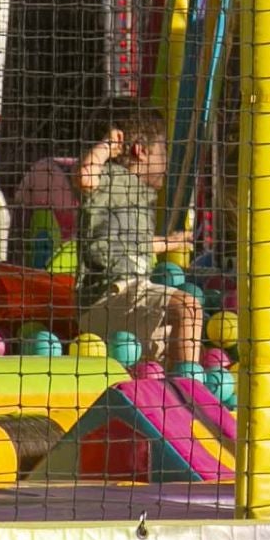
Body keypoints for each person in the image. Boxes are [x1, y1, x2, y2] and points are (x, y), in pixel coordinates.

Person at [73, 105, 202, 369]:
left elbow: (134, 244)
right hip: (109, 296)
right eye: (163, 150)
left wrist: (172, 242)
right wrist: (107, 147)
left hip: (123, 304)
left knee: (162, 354)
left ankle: (172, 390)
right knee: (188, 307)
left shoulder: (136, 196)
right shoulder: (112, 178)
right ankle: (188, 394)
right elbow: (85, 177)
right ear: (140, 151)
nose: (167, 160)